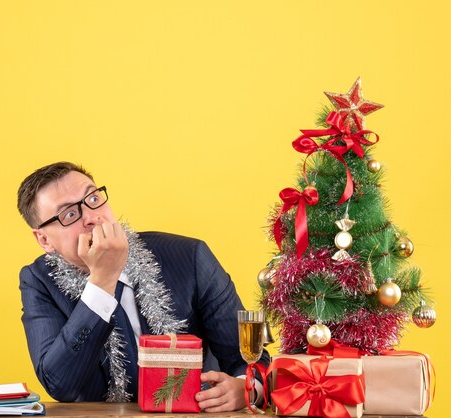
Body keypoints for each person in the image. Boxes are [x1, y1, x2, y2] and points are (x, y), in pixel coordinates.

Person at [17, 161, 269, 412]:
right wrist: (102, 281)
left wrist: (245, 389)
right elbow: (59, 384)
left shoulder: (190, 257)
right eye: (69, 214)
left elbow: (248, 360)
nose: (92, 217)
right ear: (44, 239)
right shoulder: (38, 280)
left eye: (93, 199)